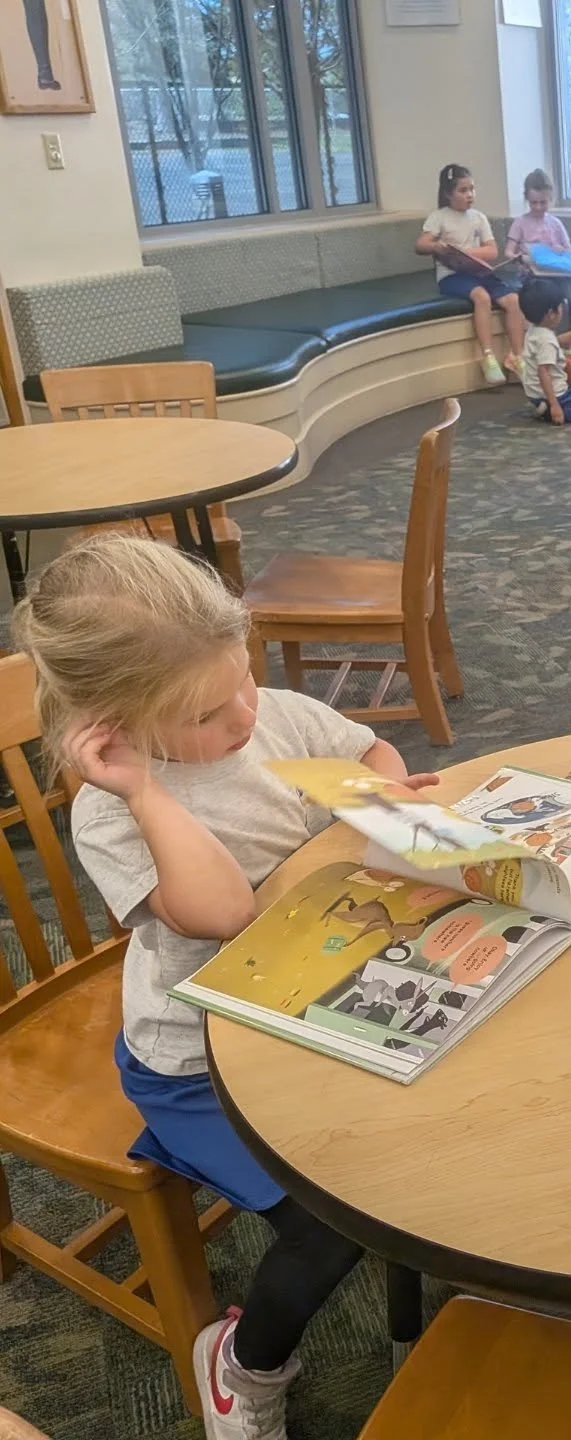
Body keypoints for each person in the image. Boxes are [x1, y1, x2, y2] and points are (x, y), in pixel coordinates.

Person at [10, 536, 442, 1440]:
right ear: (113, 727)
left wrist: (389, 797)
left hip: (308, 999)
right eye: (209, 713)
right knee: (333, 1224)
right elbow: (221, 912)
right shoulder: (115, 810)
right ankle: (244, 1370)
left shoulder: (264, 713)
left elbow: (365, 745)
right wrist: (145, 792)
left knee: (437, 1104)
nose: (244, 714)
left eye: (243, 678)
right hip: (195, 1063)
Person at [416, 163, 525, 387]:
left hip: (478, 272)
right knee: (482, 297)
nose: (470, 195)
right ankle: (488, 356)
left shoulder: (478, 218)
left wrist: (467, 252)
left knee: (513, 300)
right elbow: (421, 244)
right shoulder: (439, 217)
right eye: (463, 190)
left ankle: (518, 355)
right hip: (452, 276)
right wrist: (437, 247)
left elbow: (492, 251)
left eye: (472, 189)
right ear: (448, 193)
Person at [505, 167, 571, 328]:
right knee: (548, 295)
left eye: (543, 202)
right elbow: (508, 252)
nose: (539, 207)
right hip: (533, 275)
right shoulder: (520, 222)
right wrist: (519, 258)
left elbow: (570, 252)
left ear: (550, 199)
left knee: (568, 288)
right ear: (526, 198)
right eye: (534, 203)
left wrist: (561, 250)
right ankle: (550, 334)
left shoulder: (555, 223)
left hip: (556, 273)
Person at [519, 278, 571, 426]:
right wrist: (555, 406)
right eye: (560, 306)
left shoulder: (535, 331)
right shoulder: (546, 340)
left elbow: (558, 342)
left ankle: (543, 405)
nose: (562, 309)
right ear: (552, 313)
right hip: (555, 394)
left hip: (536, 393)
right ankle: (548, 411)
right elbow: (543, 372)